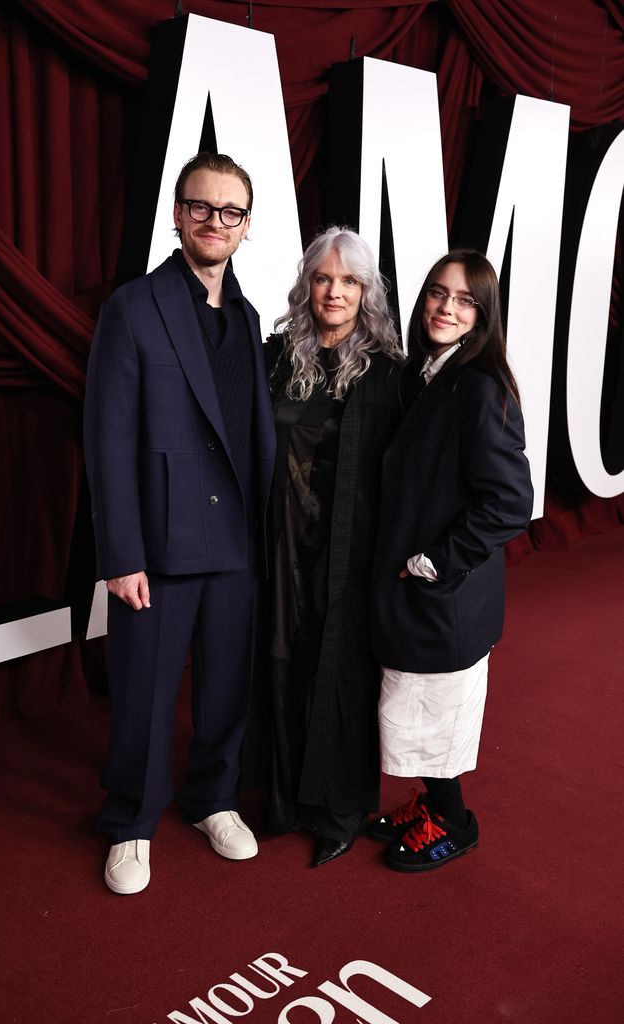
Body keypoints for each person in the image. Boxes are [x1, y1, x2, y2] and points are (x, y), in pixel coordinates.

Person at [83, 152, 276, 894]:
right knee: (145, 690)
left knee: (227, 686)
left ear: (246, 227)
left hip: (237, 542)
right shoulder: (134, 306)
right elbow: (107, 440)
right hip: (158, 544)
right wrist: (120, 554)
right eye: (201, 207)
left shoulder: (250, 315)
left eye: (230, 212)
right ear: (178, 213)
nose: (214, 221)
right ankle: (131, 820)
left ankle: (213, 799)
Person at [370, 249, 533, 871]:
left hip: (446, 594)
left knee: (434, 717)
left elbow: (511, 502)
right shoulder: (424, 371)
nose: (446, 307)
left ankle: (455, 823)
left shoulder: (481, 389)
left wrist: (435, 562)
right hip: (413, 593)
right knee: (413, 708)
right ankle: (431, 806)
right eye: (438, 293)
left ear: (483, 315)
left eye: (465, 300)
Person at [264, 226, 401, 866]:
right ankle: (282, 797)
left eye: (349, 280)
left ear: (367, 291)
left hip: (350, 548)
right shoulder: (276, 357)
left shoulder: (388, 375)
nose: (335, 291)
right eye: (324, 278)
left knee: (340, 672)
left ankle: (338, 810)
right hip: (280, 541)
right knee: (279, 659)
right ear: (307, 284)